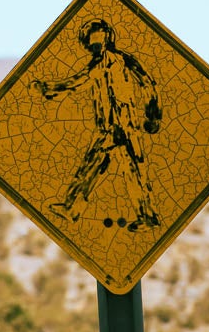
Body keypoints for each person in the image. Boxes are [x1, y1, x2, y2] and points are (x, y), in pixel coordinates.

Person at [35, 18, 163, 232]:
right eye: (93, 44)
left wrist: (153, 115)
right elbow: (77, 83)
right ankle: (73, 208)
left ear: (108, 39)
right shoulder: (101, 63)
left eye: (100, 42)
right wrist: (49, 89)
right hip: (110, 128)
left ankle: (147, 217)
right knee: (93, 166)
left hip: (125, 126)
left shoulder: (118, 60)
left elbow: (147, 83)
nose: (97, 47)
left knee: (131, 171)